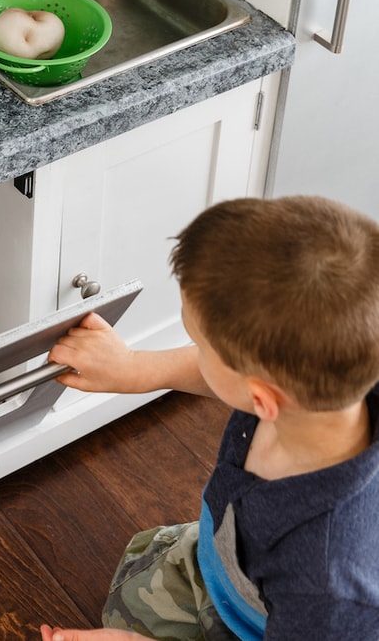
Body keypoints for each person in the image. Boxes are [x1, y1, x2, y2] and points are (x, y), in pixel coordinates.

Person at [40, 196, 379, 641]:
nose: (196, 349)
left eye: (201, 344)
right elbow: (227, 373)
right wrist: (135, 368)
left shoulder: (327, 583)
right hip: (233, 559)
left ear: (261, 399)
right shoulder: (333, 370)